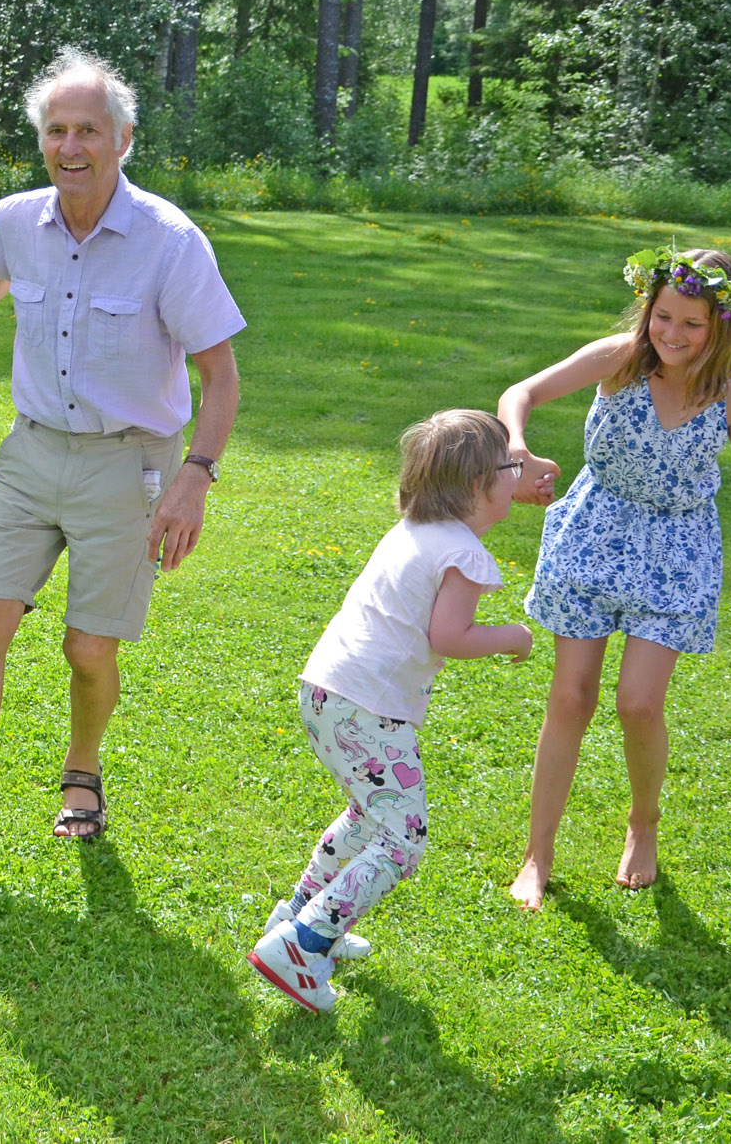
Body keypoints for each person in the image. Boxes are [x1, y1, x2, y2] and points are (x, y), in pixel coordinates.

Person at [0, 47, 244, 882]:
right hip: (33, 450)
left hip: (132, 465)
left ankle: (83, 767)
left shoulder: (169, 239)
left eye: (89, 129)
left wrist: (196, 474)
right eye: (56, 130)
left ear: (123, 139)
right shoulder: (18, 219)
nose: (70, 145)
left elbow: (221, 375)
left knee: (89, 646)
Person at [503, 247, 731, 910]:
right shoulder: (620, 358)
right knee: (570, 697)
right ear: (647, 309)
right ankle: (537, 856)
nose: (673, 334)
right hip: (594, 532)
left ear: (721, 326)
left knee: (639, 702)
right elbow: (522, 392)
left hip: (676, 550)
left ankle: (643, 823)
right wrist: (515, 442)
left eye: (692, 323)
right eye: (664, 316)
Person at [249, 410, 533, 1013]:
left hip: (327, 691)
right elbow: (449, 636)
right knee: (404, 839)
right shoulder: (464, 553)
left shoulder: (415, 530)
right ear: (479, 485)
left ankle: (298, 912)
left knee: (368, 814)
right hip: (368, 706)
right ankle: (303, 943)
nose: (519, 475)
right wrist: (512, 636)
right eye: (512, 467)